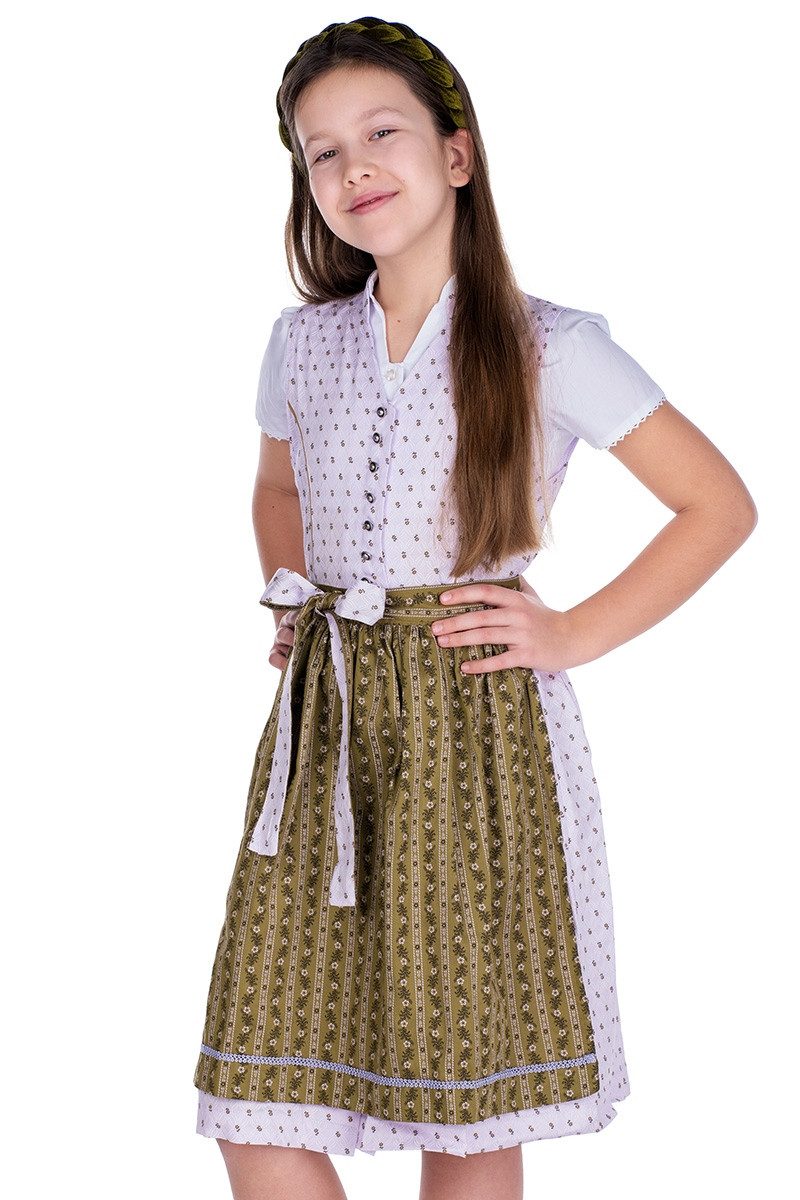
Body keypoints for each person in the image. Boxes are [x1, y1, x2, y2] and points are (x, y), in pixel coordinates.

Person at [192, 16, 757, 1200]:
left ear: (455, 154)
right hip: (325, 731)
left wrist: (566, 633)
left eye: (379, 133)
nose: (352, 168)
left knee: (464, 1111)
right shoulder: (300, 343)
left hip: (475, 732)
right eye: (321, 152)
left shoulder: (549, 343)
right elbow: (278, 486)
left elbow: (715, 505)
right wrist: (291, 595)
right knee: (258, 1097)